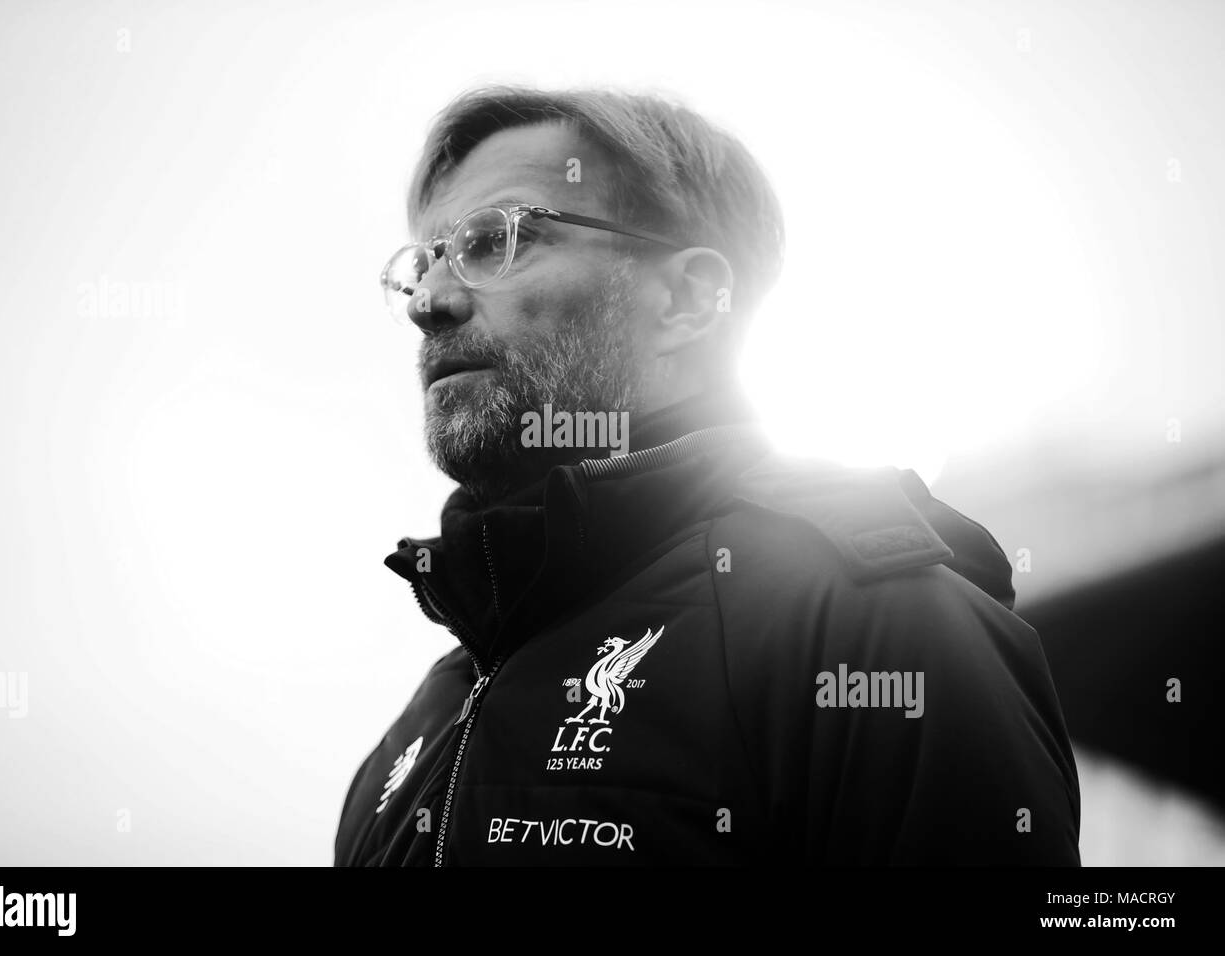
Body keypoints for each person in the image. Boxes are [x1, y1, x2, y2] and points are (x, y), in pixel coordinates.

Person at [334, 85, 1081, 866]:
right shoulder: (420, 727)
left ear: (689, 299)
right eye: (425, 262)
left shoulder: (874, 630)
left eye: (495, 241)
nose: (430, 300)